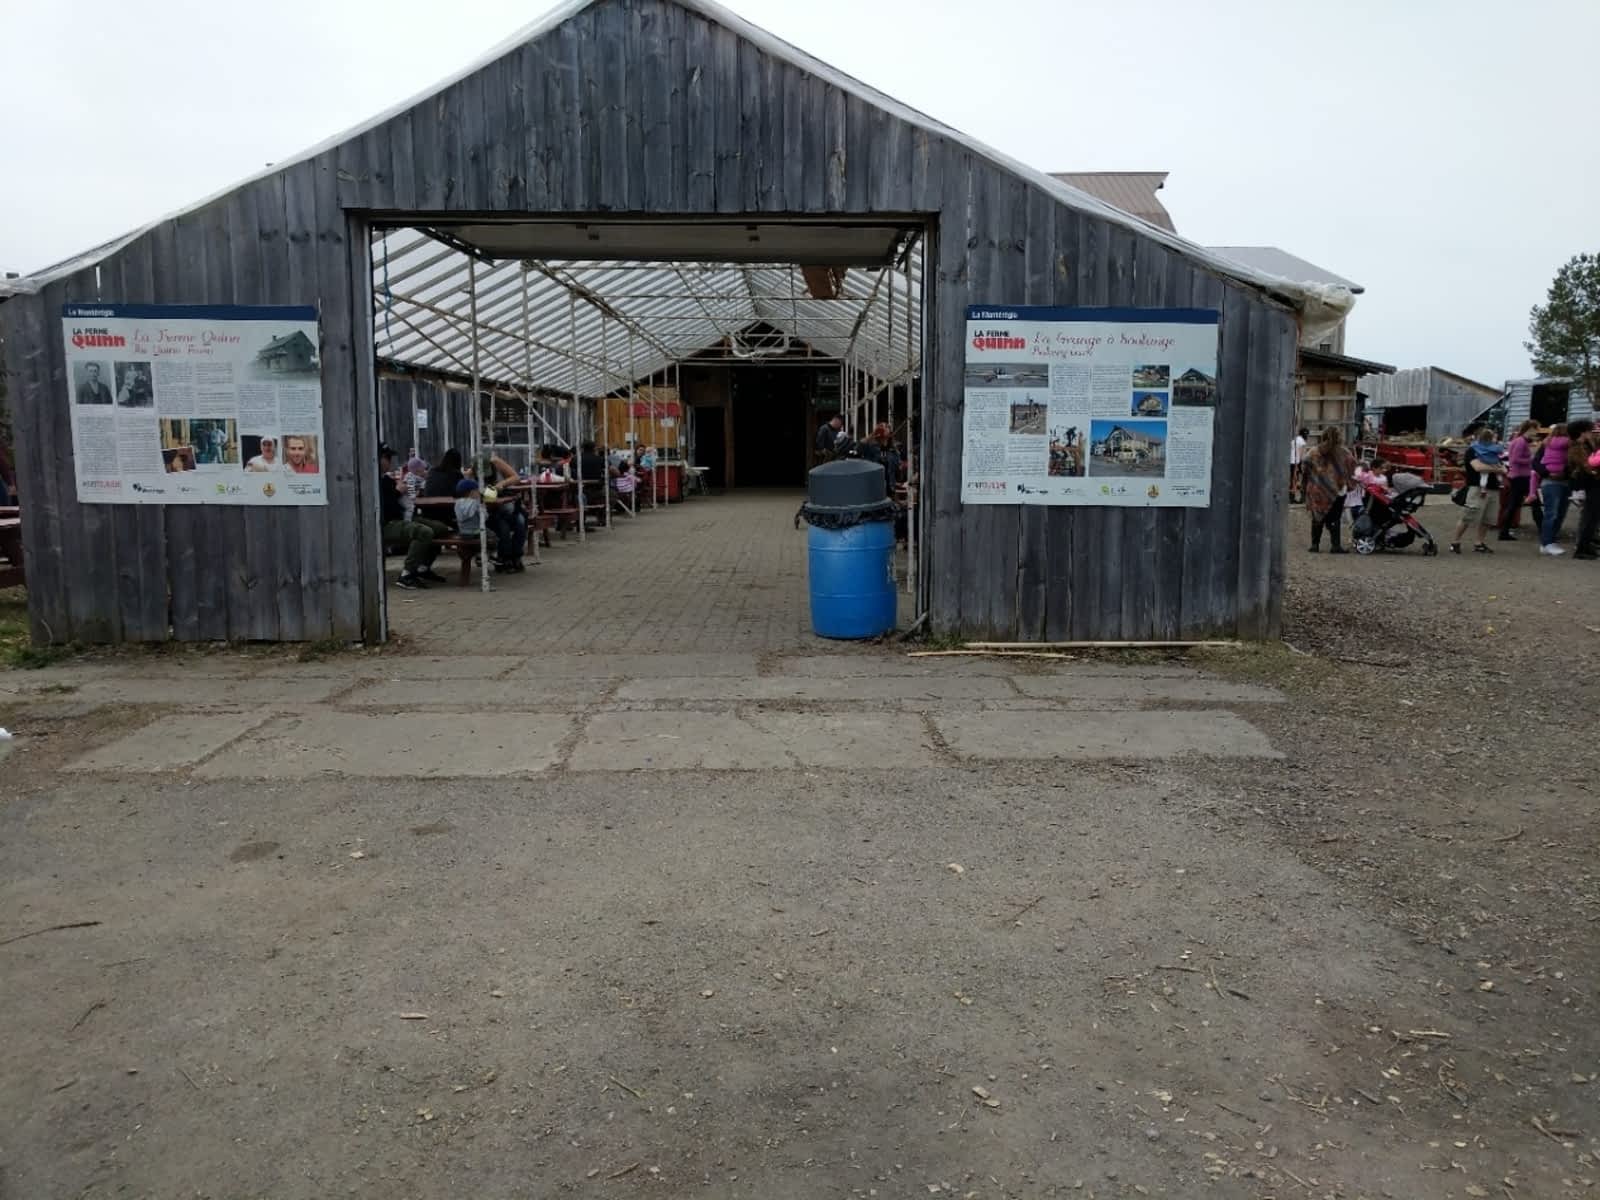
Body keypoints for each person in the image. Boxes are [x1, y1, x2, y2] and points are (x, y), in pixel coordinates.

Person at [377, 446, 448, 590]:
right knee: (424, 532)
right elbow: (383, 506)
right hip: (385, 523)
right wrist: (397, 492)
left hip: (403, 517)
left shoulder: (386, 479)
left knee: (441, 528)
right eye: (387, 458)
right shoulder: (370, 481)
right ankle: (407, 574)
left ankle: (423, 568)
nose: (390, 462)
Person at [1449, 425, 1507, 554]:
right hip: (1477, 488)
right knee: (1468, 516)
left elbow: (1504, 468)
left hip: (1493, 488)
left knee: (1488, 518)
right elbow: (1478, 467)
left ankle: (1479, 543)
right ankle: (1455, 542)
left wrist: (1496, 469)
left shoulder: (1494, 452)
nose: (1495, 438)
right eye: (1493, 436)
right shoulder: (1473, 450)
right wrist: (1497, 469)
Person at [1302, 426, 1355, 552]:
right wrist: (1348, 482)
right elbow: (1352, 467)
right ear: (1339, 437)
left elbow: (1305, 464)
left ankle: (1315, 545)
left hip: (1317, 489)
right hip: (1338, 490)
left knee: (1317, 516)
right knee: (1335, 517)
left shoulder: (1314, 451)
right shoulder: (1344, 452)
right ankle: (1335, 546)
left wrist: (1310, 480)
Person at [481, 454, 528, 572]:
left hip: (505, 508)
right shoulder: (473, 476)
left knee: (520, 521)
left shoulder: (496, 463)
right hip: (490, 513)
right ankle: (504, 558)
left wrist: (501, 485)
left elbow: (516, 478)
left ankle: (517, 556)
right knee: (503, 526)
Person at [1497, 419, 1540, 540]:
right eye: (1535, 429)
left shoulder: (1518, 440)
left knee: (1513, 504)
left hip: (1517, 476)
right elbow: (1515, 459)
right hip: (1521, 476)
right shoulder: (1521, 442)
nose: (1536, 432)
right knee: (1533, 502)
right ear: (1529, 429)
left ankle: (1504, 531)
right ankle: (1543, 530)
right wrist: (1531, 459)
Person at [1537, 423, 1573, 556]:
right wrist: (1549, 473)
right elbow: (1535, 462)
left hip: (1559, 481)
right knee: (1553, 513)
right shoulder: (1566, 445)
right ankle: (1547, 542)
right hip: (1554, 481)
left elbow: (1536, 462)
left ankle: (1549, 541)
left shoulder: (1547, 443)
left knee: (1557, 513)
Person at [1567, 422, 1600, 560]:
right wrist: (1593, 472)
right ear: (1582, 432)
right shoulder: (1576, 447)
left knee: (1593, 517)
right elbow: (1585, 466)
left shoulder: (1586, 446)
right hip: (1591, 484)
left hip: (1592, 483)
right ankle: (1581, 548)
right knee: (1589, 517)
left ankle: (1587, 546)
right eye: (1588, 431)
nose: (1591, 433)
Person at [1290, 427, 1309, 503]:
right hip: (1296, 463)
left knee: (1292, 479)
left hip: (1291, 462)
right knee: (1295, 480)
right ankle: (1293, 498)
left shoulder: (1295, 440)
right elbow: (1302, 455)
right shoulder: (1303, 442)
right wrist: (1301, 466)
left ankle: (1291, 497)